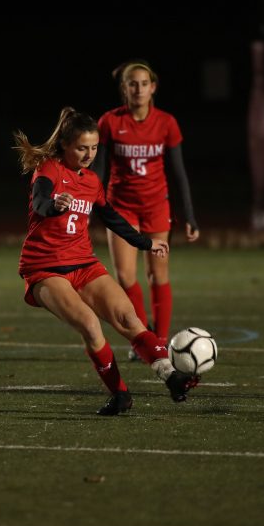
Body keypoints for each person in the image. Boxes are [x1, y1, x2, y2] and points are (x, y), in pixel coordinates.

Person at [13, 106, 200, 416]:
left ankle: (171, 376)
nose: (89, 154)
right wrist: (55, 205)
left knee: (128, 318)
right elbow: (40, 201)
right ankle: (120, 394)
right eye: (81, 148)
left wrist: (146, 243)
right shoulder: (49, 169)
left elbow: (111, 217)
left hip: (84, 263)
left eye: (94, 148)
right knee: (90, 325)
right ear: (65, 145)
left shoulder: (91, 181)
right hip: (45, 269)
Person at [93, 60, 199, 360]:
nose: (138, 89)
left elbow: (179, 172)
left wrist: (189, 214)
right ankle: (145, 339)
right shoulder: (109, 122)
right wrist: (89, 206)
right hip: (121, 207)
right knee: (125, 277)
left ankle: (160, 341)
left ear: (153, 87)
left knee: (157, 275)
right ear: (124, 89)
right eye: (133, 84)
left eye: (143, 84)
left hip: (156, 207)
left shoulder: (166, 123)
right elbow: (99, 170)